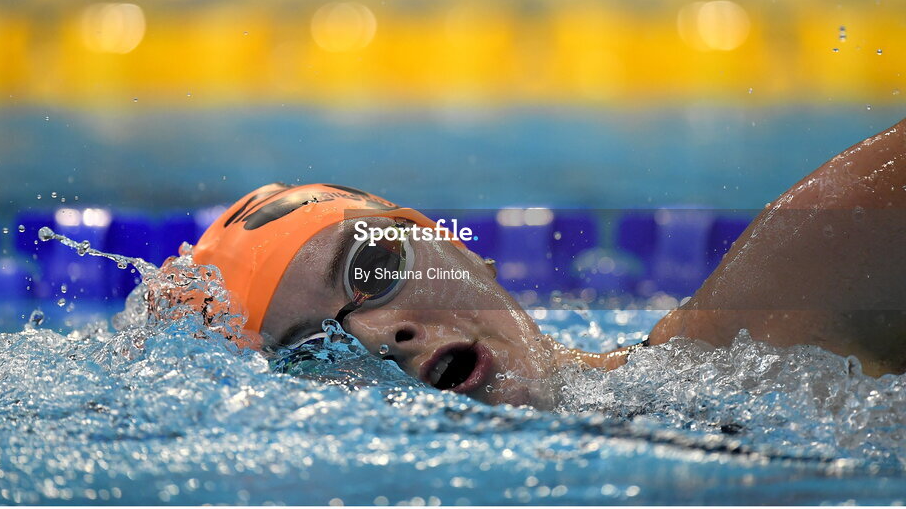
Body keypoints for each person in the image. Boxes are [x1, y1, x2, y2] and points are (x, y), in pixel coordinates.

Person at [164, 118, 906, 411]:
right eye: (311, 353)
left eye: (371, 267)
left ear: (453, 245)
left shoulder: (772, 322)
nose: (380, 336)